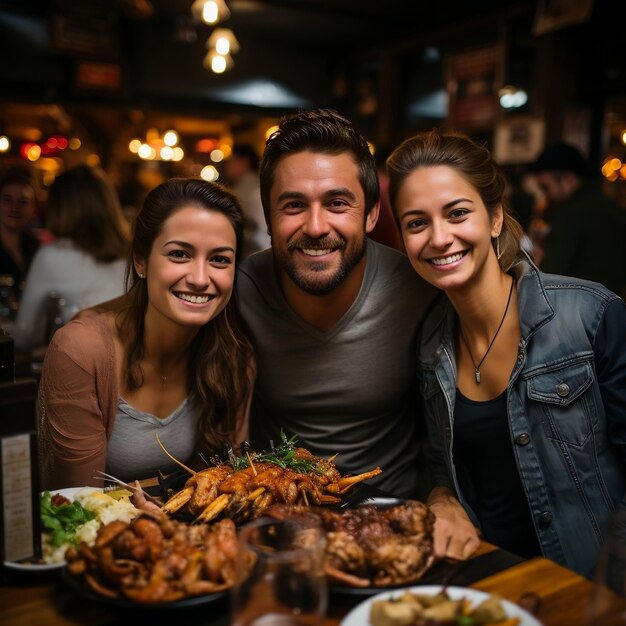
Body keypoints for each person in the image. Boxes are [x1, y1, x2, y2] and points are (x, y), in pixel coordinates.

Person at [234, 108, 476, 560]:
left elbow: (453, 426)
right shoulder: (239, 290)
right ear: (267, 217)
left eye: (337, 203)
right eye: (292, 205)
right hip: (279, 532)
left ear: (371, 214)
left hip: (395, 527)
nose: (316, 226)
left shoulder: (420, 287)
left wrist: (444, 497)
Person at [386, 129, 626, 577]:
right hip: (490, 588)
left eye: (457, 213)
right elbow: (442, 467)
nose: (439, 238)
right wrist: (442, 501)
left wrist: (605, 597)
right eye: (417, 222)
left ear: (495, 217)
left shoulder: (591, 315)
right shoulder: (429, 345)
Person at [38, 178, 254, 489]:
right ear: (141, 260)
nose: (200, 278)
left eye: (220, 259)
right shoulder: (81, 350)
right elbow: (77, 506)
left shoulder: (235, 356)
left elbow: (231, 488)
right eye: (180, 254)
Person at [13, 165, 130, 352]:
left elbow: (25, 335)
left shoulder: (51, 256)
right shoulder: (135, 255)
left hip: (81, 368)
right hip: (134, 368)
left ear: (59, 207)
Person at [529, 142, 626, 298]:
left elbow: (551, 276)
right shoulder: (608, 205)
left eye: (546, 187)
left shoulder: (571, 213)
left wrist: (539, 261)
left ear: (568, 179)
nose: (545, 196)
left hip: (581, 308)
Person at [222, 144, 271, 258]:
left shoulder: (252, 191)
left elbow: (264, 231)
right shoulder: (246, 187)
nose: (228, 166)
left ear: (243, 162)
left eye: (231, 160)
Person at [0, 167, 39, 299]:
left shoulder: (37, 247)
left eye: (23, 202)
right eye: (7, 200)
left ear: (33, 207)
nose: (14, 208)